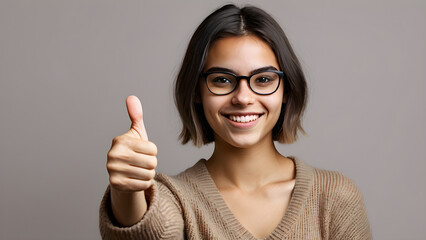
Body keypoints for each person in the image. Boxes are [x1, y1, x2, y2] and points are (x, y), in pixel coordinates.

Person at [99, 4, 372, 240]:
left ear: (286, 89)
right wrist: (127, 191)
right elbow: (149, 232)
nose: (243, 97)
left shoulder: (335, 197)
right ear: (197, 90)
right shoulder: (175, 198)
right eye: (222, 80)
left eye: (263, 79)